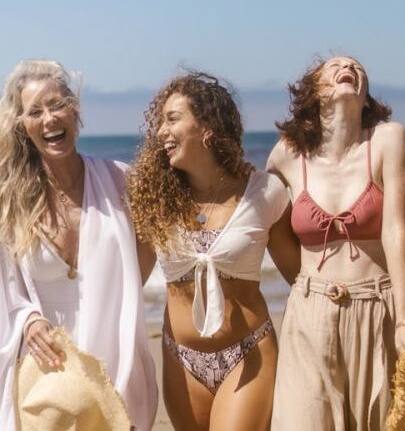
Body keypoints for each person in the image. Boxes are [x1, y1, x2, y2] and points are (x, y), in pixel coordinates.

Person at [127, 71, 300, 431]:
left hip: (249, 354)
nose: (161, 131)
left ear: (207, 126)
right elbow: (129, 279)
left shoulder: (265, 193)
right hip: (179, 359)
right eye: (160, 122)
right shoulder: (155, 202)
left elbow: (299, 277)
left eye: (172, 119)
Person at [267, 55, 405, 430]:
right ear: (313, 92)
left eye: (357, 67)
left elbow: (394, 230)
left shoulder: (388, 138)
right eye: (335, 65)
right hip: (309, 316)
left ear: (366, 94)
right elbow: (268, 230)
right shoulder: (285, 155)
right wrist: (310, 288)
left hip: (378, 308)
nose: (349, 67)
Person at [0, 60, 158, 430]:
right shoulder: (11, 200)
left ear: (75, 110)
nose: (49, 119)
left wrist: (121, 299)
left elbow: (149, 248)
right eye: (35, 111)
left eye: (57, 105)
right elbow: (4, 286)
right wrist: (27, 320)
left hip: (113, 355)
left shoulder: (121, 181)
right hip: (48, 362)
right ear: (23, 126)